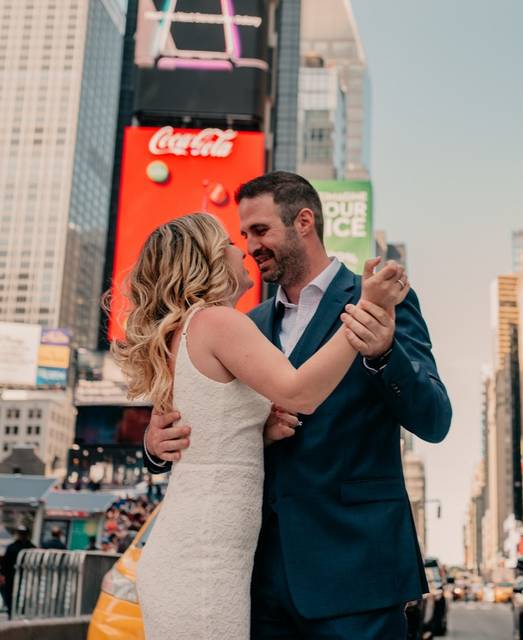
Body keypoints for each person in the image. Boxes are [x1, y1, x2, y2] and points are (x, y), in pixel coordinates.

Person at [144, 172, 452, 639]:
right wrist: (152, 445)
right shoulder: (242, 323)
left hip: (356, 575)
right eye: (242, 235)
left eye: (260, 231)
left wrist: (384, 354)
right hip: (257, 580)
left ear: (304, 221)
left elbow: (435, 419)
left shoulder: (383, 303)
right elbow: (208, 425)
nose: (249, 245)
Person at [1, 525, 34, 616]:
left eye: (24, 534)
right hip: (11, 576)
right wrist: (3, 575)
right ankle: (11, 611)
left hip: (26, 577)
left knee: (23, 594)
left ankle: (20, 611)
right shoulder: (11, 547)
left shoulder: (31, 548)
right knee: (9, 594)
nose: (22, 535)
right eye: (20, 533)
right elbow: (5, 562)